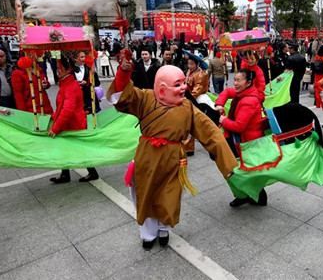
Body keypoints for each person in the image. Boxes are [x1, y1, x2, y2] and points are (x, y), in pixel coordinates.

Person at [107, 60, 237, 250]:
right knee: (146, 195)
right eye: (178, 84)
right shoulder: (145, 98)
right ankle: (148, 234)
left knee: (169, 196)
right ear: (161, 89)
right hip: (147, 156)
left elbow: (210, 132)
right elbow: (122, 97)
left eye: (184, 82)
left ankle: (163, 230)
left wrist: (226, 163)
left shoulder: (187, 107)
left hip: (174, 158)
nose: (184, 87)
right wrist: (123, 73)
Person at [215, 68, 266, 207]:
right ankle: (246, 195)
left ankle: (254, 196)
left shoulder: (248, 100)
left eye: (239, 80)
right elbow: (226, 92)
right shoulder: (242, 93)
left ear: (249, 82)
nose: (235, 83)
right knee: (244, 171)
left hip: (248, 141)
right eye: (235, 80)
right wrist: (219, 104)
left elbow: (239, 126)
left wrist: (222, 119)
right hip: (241, 139)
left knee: (245, 171)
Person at [48, 53, 99, 183]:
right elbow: (61, 108)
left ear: (68, 70)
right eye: (57, 68)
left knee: (79, 150)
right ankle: (65, 174)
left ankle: (92, 172)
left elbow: (68, 110)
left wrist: (56, 128)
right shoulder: (65, 83)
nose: (58, 70)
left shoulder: (70, 86)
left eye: (60, 68)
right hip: (69, 124)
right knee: (65, 149)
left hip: (74, 124)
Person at [183, 50, 210, 156]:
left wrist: (186, 99)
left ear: (197, 64)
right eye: (188, 63)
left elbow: (196, 90)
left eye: (192, 64)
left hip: (198, 100)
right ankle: (188, 147)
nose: (189, 66)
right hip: (190, 98)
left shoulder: (201, 74)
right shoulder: (190, 72)